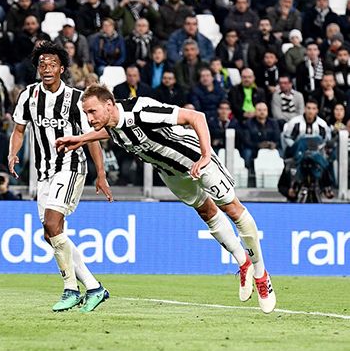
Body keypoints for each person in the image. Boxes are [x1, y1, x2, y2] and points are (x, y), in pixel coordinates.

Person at [56, 84, 276, 314]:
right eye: (86, 113)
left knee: (232, 209)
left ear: (109, 105)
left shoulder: (141, 111)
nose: (89, 118)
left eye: (92, 112)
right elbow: (111, 131)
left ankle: (261, 275)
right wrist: (81, 139)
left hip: (195, 160)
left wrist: (205, 155)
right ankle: (243, 262)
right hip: (171, 173)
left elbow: (195, 116)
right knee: (206, 212)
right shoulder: (111, 124)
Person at [8, 41, 111, 313]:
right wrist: (13, 153)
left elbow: (92, 139)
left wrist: (101, 173)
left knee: (53, 224)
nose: (47, 68)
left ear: (62, 68)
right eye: (42, 64)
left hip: (71, 166)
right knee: (50, 234)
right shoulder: (28, 96)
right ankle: (93, 287)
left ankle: (70, 289)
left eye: (52, 64)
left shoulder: (77, 99)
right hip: (44, 173)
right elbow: (19, 130)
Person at [241, 102, 281, 167]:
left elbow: (277, 138)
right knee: (247, 152)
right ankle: (248, 172)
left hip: (270, 147)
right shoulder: (248, 123)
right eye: (259, 110)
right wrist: (258, 145)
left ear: (267, 111)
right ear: (255, 111)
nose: (262, 112)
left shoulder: (274, 123)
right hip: (254, 148)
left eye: (264, 110)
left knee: (280, 152)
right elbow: (246, 141)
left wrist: (273, 144)